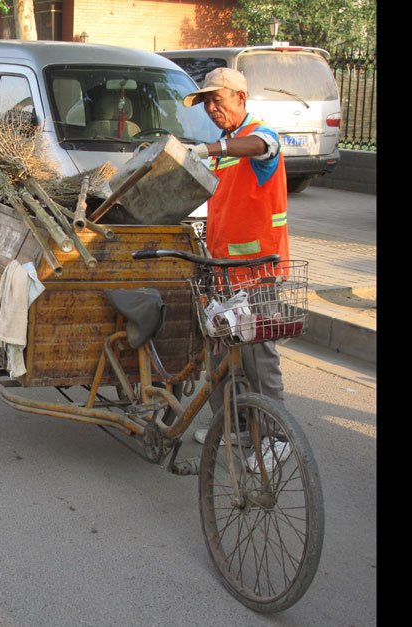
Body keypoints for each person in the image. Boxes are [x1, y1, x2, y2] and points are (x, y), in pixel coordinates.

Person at [182, 67, 289, 443]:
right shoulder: (226, 145)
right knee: (223, 357)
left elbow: (263, 147)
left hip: (257, 273)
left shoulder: (258, 136)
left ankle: (274, 438)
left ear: (240, 98)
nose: (211, 108)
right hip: (224, 272)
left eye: (217, 99)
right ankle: (237, 429)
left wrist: (211, 148)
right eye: (206, 102)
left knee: (259, 359)